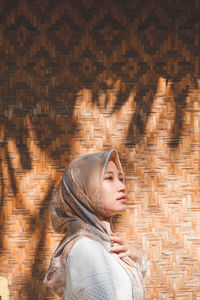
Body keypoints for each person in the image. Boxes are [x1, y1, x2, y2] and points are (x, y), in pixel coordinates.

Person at [44, 149, 149, 299]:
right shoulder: (86, 249)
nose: (122, 186)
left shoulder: (102, 244)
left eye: (120, 178)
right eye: (109, 178)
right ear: (84, 190)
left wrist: (137, 261)